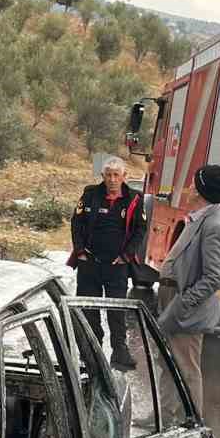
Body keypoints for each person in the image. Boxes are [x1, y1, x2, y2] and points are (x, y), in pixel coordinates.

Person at [155, 164, 220, 416]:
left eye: (192, 184)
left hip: (187, 310)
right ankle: (164, 415)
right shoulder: (202, 216)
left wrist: (183, 303)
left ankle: (192, 422)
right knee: (168, 360)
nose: (187, 188)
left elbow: (214, 276)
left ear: (200, 191)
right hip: (175, 300)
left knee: (186, 367)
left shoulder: (215, 225)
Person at [70, 156, 147, 372]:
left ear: (124, 176)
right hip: (90, 264)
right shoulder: (90, 194)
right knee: (88, 310)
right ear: (102, 176)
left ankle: (119, 352)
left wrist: (126, 256)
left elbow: (140, 230)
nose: (112, 179)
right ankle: (91, 354)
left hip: (117, 266)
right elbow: (76, 222)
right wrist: (79, 251)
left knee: (116, 310)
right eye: (108, 175)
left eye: (116, 175)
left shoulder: (133, 199)